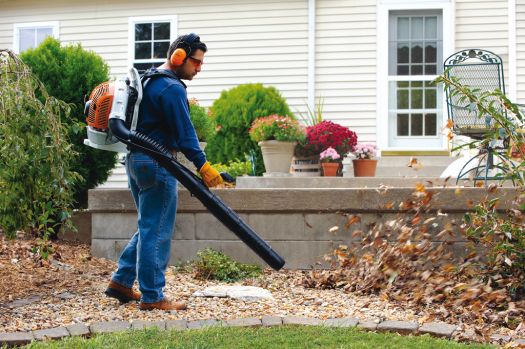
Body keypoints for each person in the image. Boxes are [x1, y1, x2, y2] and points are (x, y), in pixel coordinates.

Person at [104, 33, 223, 311]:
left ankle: (121, 281)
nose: (199, 68)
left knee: (148, 225)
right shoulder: (171, 88)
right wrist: (202, 164)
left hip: (136, 161)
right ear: (178, 56)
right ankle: (153, 295)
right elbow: (185, 133)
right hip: (158, 163)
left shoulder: (147, 79)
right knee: (156, 229)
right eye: (196, 62)